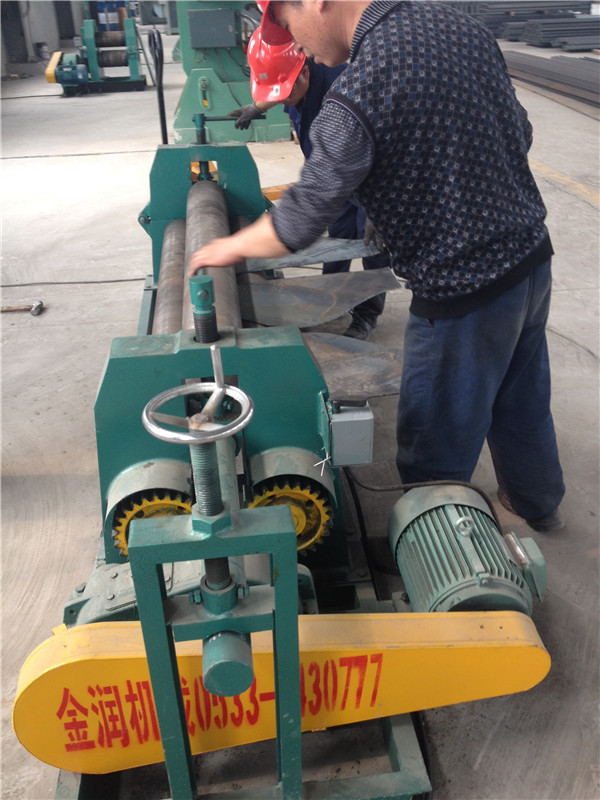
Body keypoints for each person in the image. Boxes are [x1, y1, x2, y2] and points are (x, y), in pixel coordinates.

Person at [190, 0, 565, 531]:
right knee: (520, 398)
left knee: (434, 441)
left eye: (289, 26)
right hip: (530, 260)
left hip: (460, 290)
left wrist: (222, 250)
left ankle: (438, 549)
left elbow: (300, 219)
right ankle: (537, 503)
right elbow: (519, 131)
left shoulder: (359, 91)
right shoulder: (461, 27)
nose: (297, 44)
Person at [229, 30, 388, 339]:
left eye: (284, 93)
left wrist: (380, 207)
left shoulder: (344, 90)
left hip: (369, 181)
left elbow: (383, 150)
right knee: (339, 236)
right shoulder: (296, 84)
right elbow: (281, 87)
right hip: (335, 178)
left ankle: (367, 315)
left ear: (304, 72)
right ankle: (327, 301)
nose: (282, 99)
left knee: (374, 247)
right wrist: (257, 106)